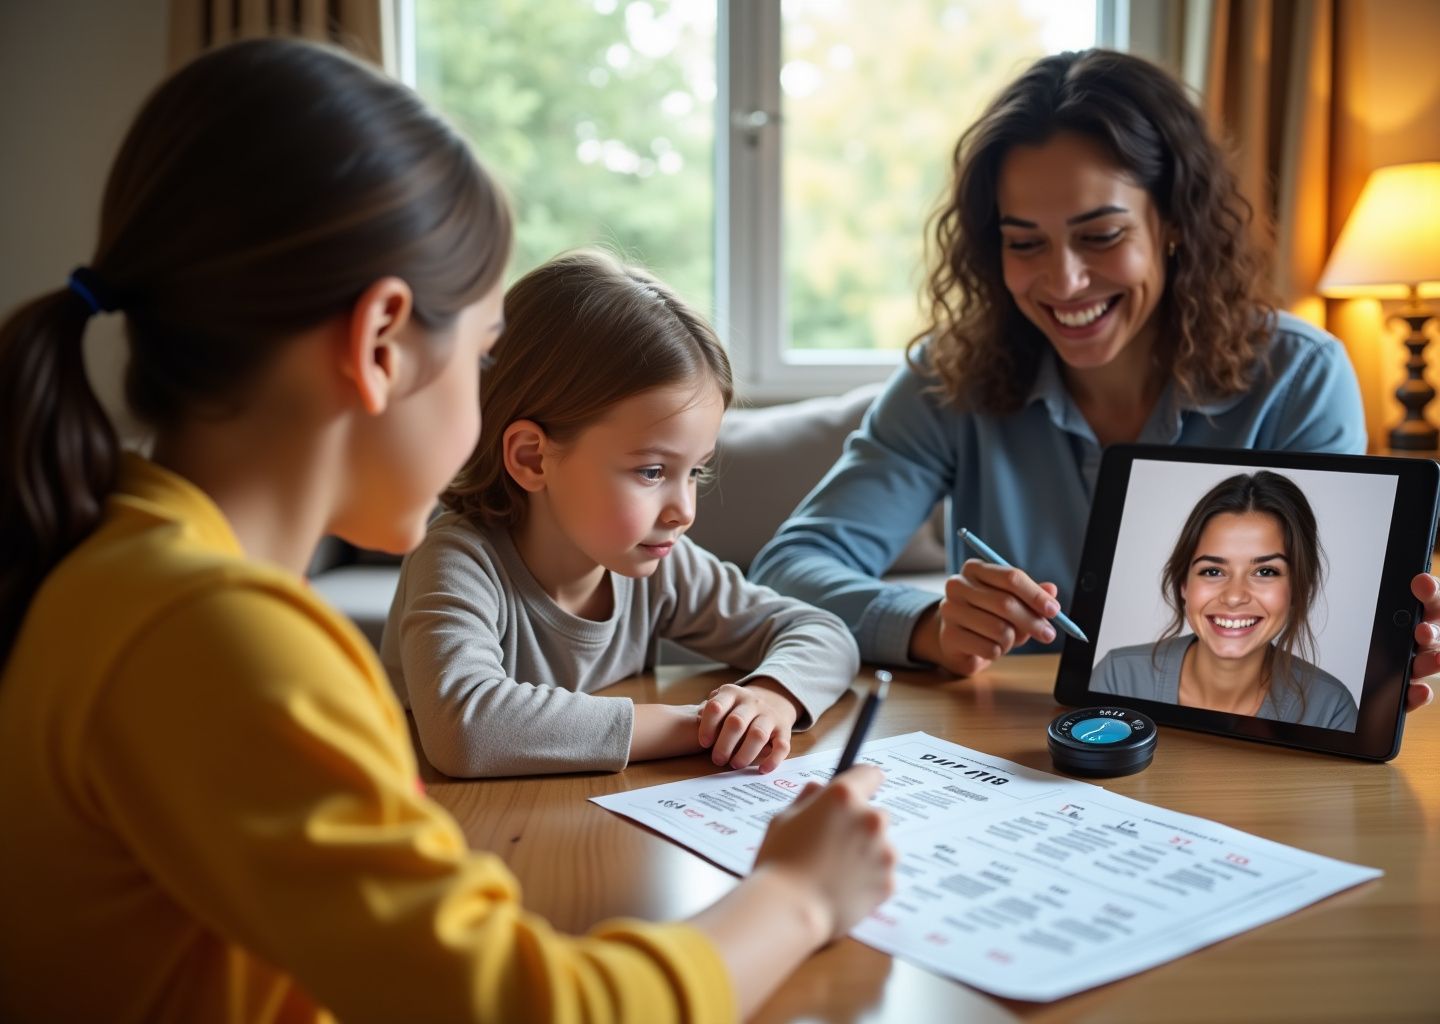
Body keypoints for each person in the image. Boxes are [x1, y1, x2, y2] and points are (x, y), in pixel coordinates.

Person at [0, 39, 894, 1024]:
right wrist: (798, 894)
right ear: (381, 344)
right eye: (482, 353)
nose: (484, 399)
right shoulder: (212, 635)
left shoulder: (133, 563)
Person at [750, 48, 1437, 713]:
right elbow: (788, 568)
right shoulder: (947, 375)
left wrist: (1365, 645)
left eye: (1101, 235)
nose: (1064, 281)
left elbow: (1320, 608)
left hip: (1229, 744)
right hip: (1013, 752)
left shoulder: (1299, 378)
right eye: (1025, 243)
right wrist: (927, 622)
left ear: (1173, 222)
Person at [381, 249, 858, 778]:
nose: (683, 512)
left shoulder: (662, 568)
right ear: (531, 458)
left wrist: (771, 699)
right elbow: (466, 728)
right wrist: (705, 725)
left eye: (695, 472)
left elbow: (822, 632)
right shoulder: (457, 560)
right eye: (652, 472)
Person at [1091, 472, 1358, 729]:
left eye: (1265, 571)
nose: (1233, 596)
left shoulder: (1331, 710)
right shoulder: (1117, 678)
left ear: (1298, 589)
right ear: (1184, 584)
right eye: (1213, 571)